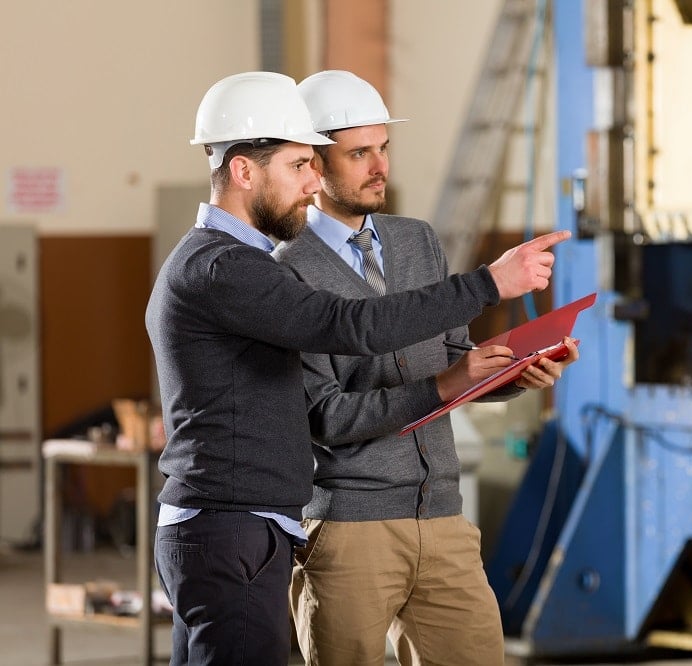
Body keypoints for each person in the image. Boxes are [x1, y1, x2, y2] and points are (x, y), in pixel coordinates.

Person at [146, 71, 569, 666]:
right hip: (244, 524)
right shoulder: (233, 269)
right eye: (300, 165)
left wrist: (497, 372)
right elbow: (353, 329)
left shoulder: (228, 262)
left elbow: (422, 348)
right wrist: (488, 283)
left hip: (246, 523)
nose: (311, 180)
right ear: (245, 170)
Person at [273, 70, 580, 666]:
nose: (378, 166)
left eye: (383, 148)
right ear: (312, 163)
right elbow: (325, 416)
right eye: (358, 153)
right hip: (349, 528)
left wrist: (512, 373)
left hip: (443, 518)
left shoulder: (416, 241)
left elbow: (453, 362)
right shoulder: (287, 271)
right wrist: (449, 381)